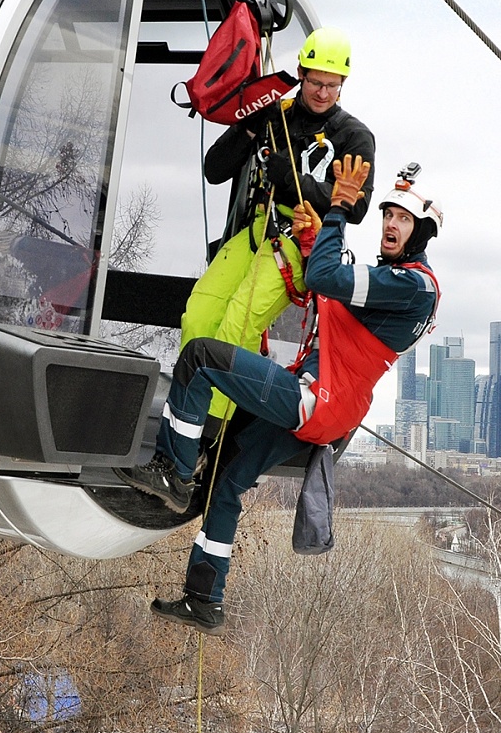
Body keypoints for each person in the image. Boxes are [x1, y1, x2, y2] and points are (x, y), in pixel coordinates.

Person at [116, 157, 442, 635]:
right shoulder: (400, 284)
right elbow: (331, 299)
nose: (390, 224)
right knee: (227, 480)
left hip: (315, 399)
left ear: (421, 232)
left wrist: (337, 210)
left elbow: (325, 279)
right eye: (388, 215)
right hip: (327, 411)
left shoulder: (413, 285)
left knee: (200, 358)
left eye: (403, 219)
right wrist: (314, 243)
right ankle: (204, 598)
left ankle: (174, 472)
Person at [180, 27, 376, 424]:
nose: (323, 93)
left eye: (333, 86)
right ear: (301, 74)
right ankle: (182, 410)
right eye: (316, 83)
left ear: (343, 83)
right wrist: (250, 126)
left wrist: (292, 179)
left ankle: (211, 428)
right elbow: (214, 170)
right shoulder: (275, 115)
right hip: (257, 229)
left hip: (300, 238)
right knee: (199, 314)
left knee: (239, 324)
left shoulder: (353, 137)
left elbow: (356, 207)